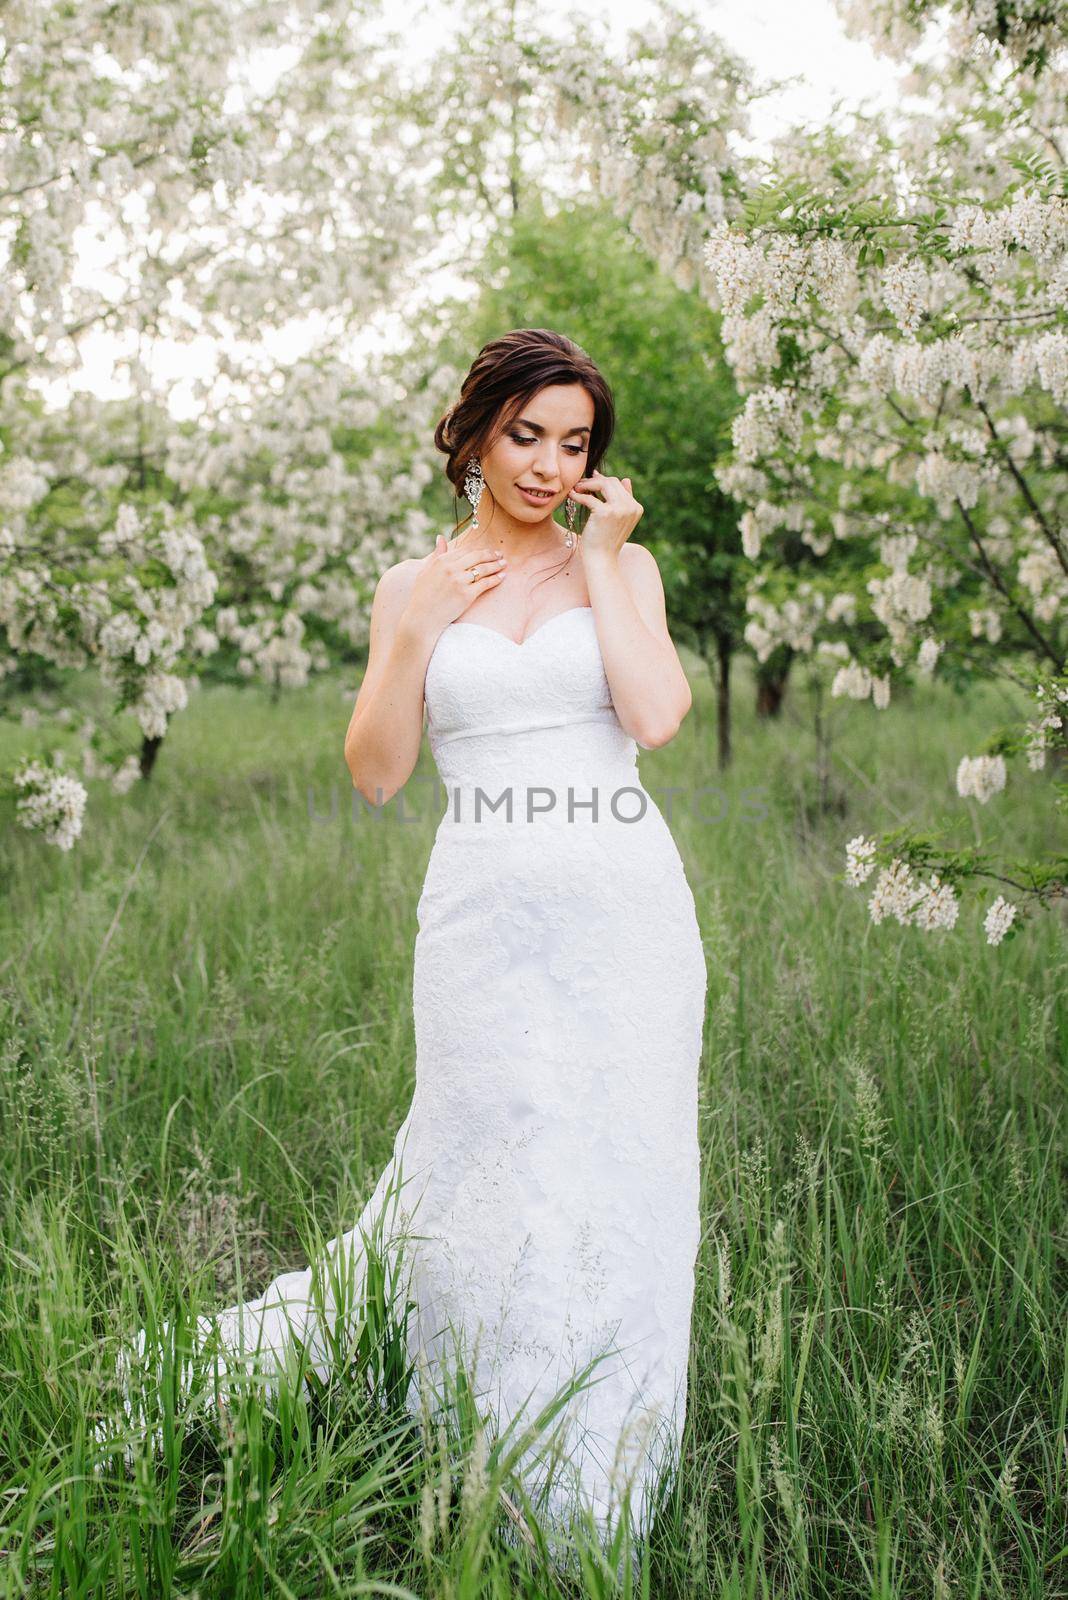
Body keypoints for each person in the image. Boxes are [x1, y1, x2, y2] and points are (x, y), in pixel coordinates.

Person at [101, 328, 707, 1572]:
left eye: (575, 442)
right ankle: (471, 1430)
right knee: (480, 1156)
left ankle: (598, 1462)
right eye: (526, 434)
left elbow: (652, 716)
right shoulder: (411, 584)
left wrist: (604, 560)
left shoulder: (620, 569)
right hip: (484, 915)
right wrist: (419, 628)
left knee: (616, 1166)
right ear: (476, 433)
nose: (547, 464)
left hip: (628, 916)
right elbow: (378, 774)